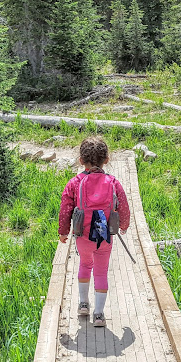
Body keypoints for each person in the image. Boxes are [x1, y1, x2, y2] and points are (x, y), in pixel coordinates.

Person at [58, 136, 131, 327]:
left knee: (85, 264)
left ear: (81, 160)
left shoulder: (74, 183)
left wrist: (63, 231)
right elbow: (123, 206)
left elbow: (65, 208)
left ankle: (83, 304)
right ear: (106, 159)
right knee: (101, 272)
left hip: (82, 234)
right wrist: (124, 225)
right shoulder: (113, 182)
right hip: (104, 235)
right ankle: (99, 314)